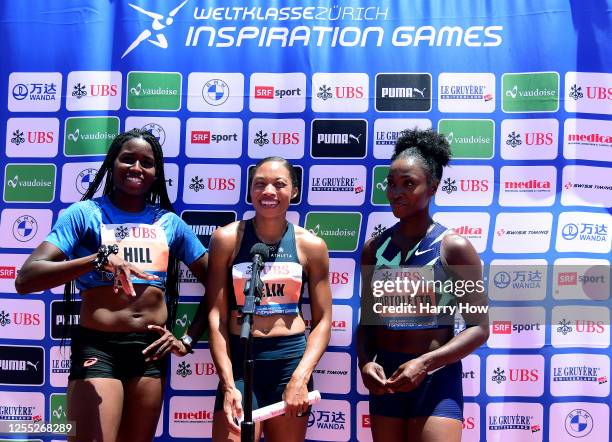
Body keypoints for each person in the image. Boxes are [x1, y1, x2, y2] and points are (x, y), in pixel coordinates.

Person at [15, 129, 208, 442]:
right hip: (98, 348)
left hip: (149, 352)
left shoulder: (169, 222)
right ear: (112, 163)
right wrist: (97, 260)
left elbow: (219, 284)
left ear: (156, 174)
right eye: (127, 159)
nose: (136, 167)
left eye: (147, 163)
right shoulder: (85, 214)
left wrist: (187, 339)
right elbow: (26, 279)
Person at [357, 128, 489, 442]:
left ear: (432, 186)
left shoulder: (453, 247)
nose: (396, 192)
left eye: (408, 184)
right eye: (391, 184)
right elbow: (367, 324)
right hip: (387, 381)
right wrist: (365, 363)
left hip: (435, 382)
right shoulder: (376, 249)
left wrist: (425, 364)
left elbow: (479, 327)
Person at [207, 156, 332, 442]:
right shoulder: (227, 239)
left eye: (279, 184)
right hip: (240, 361)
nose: (269, 192)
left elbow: (324, 320)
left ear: (295, 191)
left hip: (289, 363)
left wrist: (300, 377)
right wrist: (228, 384)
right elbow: (217, 317)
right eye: (260, 184)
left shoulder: (311, 246)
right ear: (250, 190)